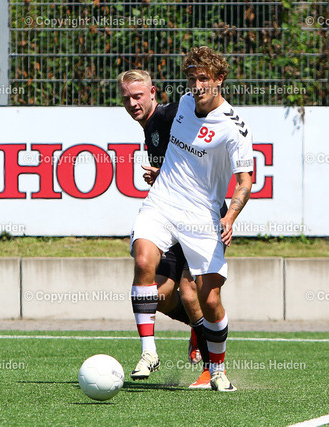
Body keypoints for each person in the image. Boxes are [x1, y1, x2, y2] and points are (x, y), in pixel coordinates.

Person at [129, 46, 253, 392]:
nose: (197, 86)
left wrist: (230, 216)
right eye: (192, 79)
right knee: (144, 261)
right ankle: (149, 352)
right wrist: (161, 172)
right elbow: (174, 151)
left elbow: (245, 182)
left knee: (207, 299)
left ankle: (217, 370)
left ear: (219, 79)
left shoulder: (234, 128)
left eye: (203, 79)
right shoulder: (183, 105)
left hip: (202, 215)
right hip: (162, 203)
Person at [117, 69, 214, 389]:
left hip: (200, 216)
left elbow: (203, 150)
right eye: (126, 98)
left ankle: (210, 366)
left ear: (153, 93)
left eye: (138, 96)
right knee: (157, 293)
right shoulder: (149, 128)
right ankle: (196, 329)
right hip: (169, 215)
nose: (132, 103)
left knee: (190, 292)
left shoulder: (171, 114)